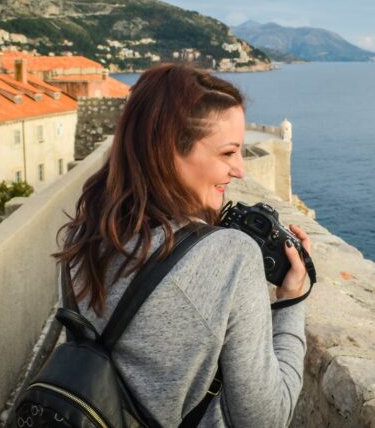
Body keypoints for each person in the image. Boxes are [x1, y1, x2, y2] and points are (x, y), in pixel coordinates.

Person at [55, 63, 311, 427]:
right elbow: (265, 419)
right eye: (228, 153)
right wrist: (291, 302)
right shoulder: (231, 256)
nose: (240, 170)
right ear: (170, 151)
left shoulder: (81, 236)